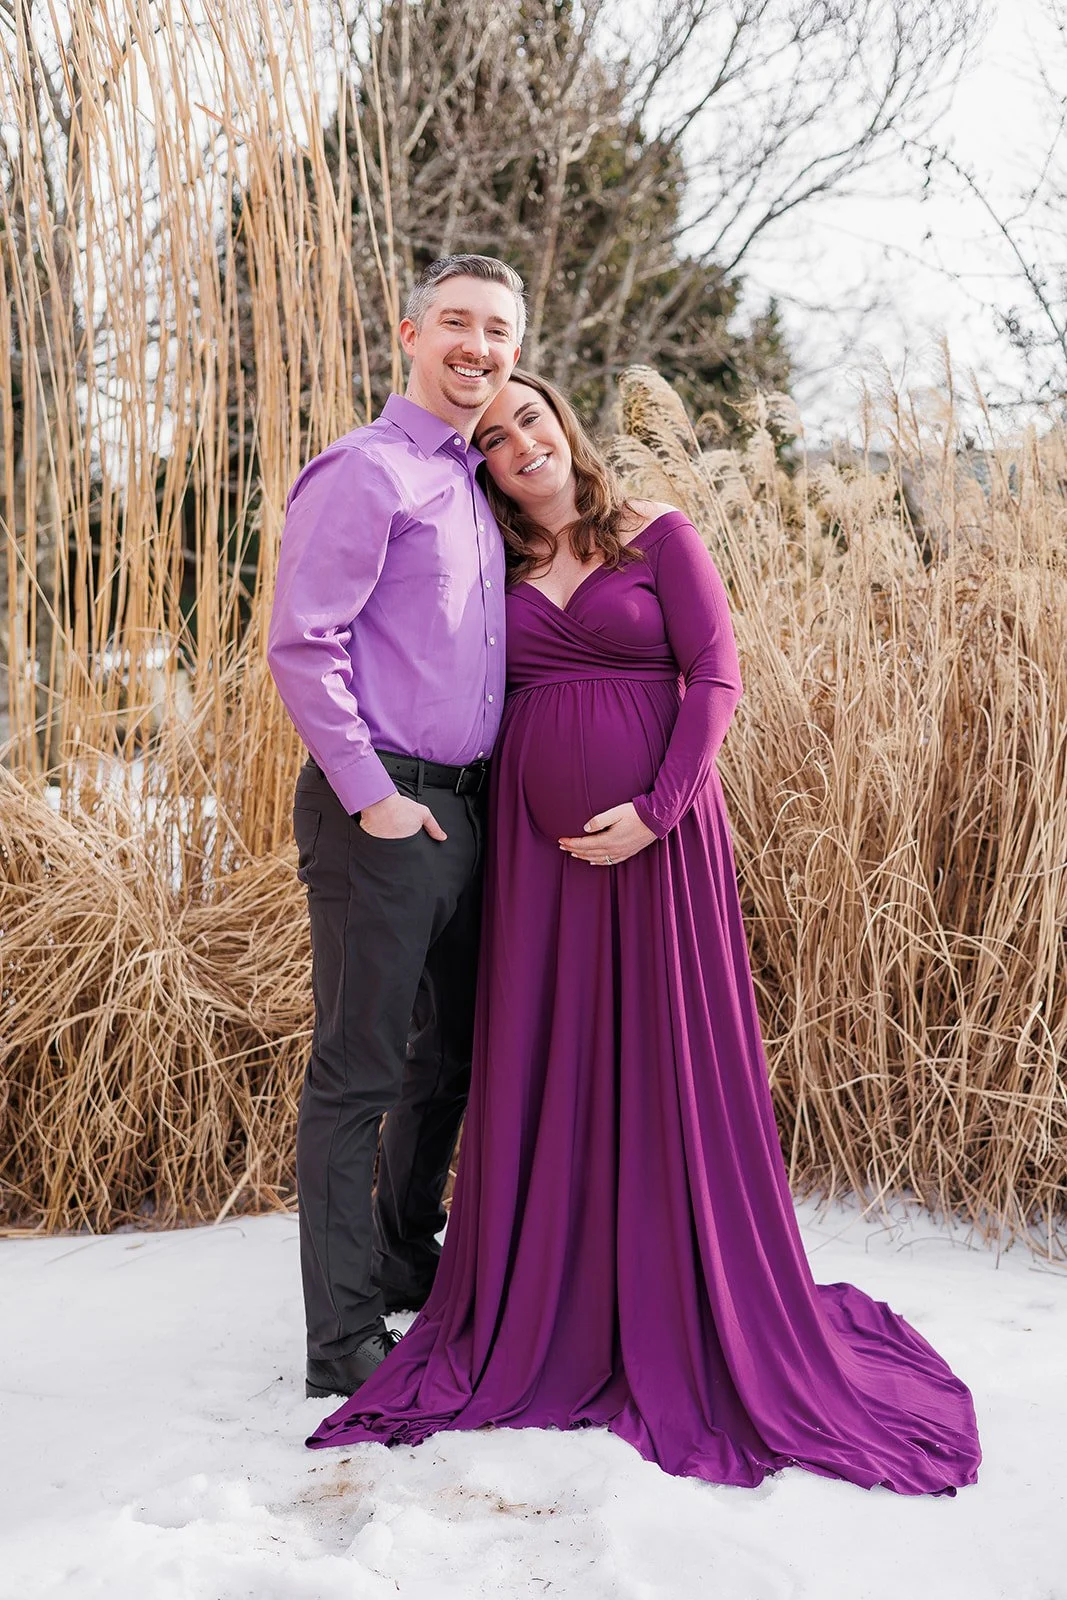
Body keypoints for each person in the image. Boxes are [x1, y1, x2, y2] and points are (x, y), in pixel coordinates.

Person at [305, 370, 982, 1495]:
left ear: (561, 422)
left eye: (530, 416)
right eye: (492, 435)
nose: (519, 441)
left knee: (666, 1055)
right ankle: (553, 1290)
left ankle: (677, 1281)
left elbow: (713, 676)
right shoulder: (493, 564)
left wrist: (658, 810)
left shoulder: (655, 532)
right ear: (480, 465)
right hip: (536, 871)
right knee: (550, 1057)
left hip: (661, 845)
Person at [267, 256, 524, 1402]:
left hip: (464, 809)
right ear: (410, 334)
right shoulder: (367, 469)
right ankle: (341, 1339)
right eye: (455, 323)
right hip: (379, 807)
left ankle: (401, 1258)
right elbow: (302, 642)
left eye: (498, 330)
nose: (477, 346)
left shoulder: (471, 484)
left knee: (449, 1053)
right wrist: (372, 793)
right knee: (358, 1071)